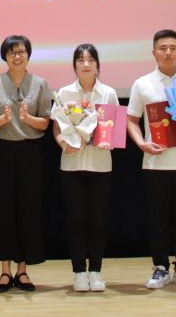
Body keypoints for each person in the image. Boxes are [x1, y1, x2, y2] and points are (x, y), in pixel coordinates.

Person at [126, 29, 176, 290]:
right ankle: (160, 266)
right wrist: (141, 144)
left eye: (173, 48)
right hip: (155, 162)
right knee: (157, 218)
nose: (168, 53)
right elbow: (132, 120)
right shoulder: (142, 84)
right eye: (163, 48)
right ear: (154, 53)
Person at [0, 34, 52, 292]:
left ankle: (22, 270)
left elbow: (45, 122)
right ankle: (5, 271)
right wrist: (3, 119)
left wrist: (27, 119)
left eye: (22, 51)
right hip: (2, 151)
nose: (17, 56)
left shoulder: (41, 83)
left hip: (30, 153)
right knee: (3, 209)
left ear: (28, 55)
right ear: (5, 56)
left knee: (28, 209)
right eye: (12, 52)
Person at [51, 44, 120, 292]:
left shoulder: (109, 93)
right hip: (72, 165)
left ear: (98, 65)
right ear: (75, 66)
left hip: (100, 164)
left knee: (98, 220)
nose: (86, 64)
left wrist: (108, 138)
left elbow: (115, 127)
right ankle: (79, 272)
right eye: (81, 60)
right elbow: (57, 128)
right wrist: (63, 144)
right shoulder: (64, 93)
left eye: (91, 59)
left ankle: (96, 272)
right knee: (76, 220)